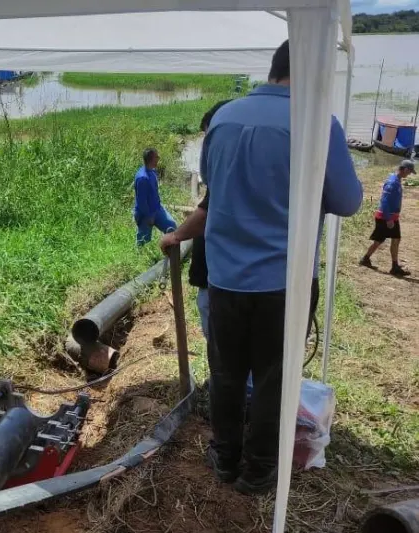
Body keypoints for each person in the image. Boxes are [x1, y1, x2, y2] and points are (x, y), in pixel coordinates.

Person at [199, 40, 362, 495]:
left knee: (226, 373)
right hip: (283, 282)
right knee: (274, 378)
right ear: (313, 73)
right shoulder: (316, 124)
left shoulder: (225, 118)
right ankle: (259, 470)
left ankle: (226, 459)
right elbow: (347, 202)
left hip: (226, 277)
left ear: (273, 69)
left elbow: (214, 188)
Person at [160, 100, 230, 338]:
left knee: (224, 346)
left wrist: (176, 236)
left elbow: (205, 214)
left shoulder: (228, 169)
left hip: (221, 281)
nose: (209, 144)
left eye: (210, 135)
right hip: (226, 278)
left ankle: (223, 376)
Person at [359, 160, 415, 277]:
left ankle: (372, 260)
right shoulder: (392, 182)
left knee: (390, 239)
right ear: (404, 169)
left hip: (390, 216)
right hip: (386, 217)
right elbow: (384, 201)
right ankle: (373, 261)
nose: (409, 174)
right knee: (387, 240)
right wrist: (389, 219)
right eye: (409, 172)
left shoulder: (396, 180)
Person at [134, 148, 177, 246]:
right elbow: (142, 202)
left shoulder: (152, 172)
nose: (158, 158)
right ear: (151, 159)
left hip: (157, 209)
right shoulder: (142, 178)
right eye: (157, 157)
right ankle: (142, 259)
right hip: (145, 214)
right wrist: (149, 216)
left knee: (171, 227)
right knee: (143, 242)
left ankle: (171, 253)